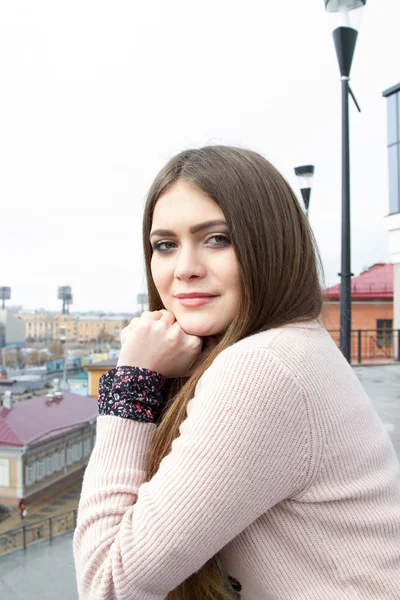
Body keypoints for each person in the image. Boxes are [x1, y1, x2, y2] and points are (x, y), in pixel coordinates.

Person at [73, 146, 400, 600]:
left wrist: (132, 379)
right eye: (165, 244)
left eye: (217, 238)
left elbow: (106, 583)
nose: (185, 269)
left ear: (269, 244)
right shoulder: (293, 344)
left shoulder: (263, 368)